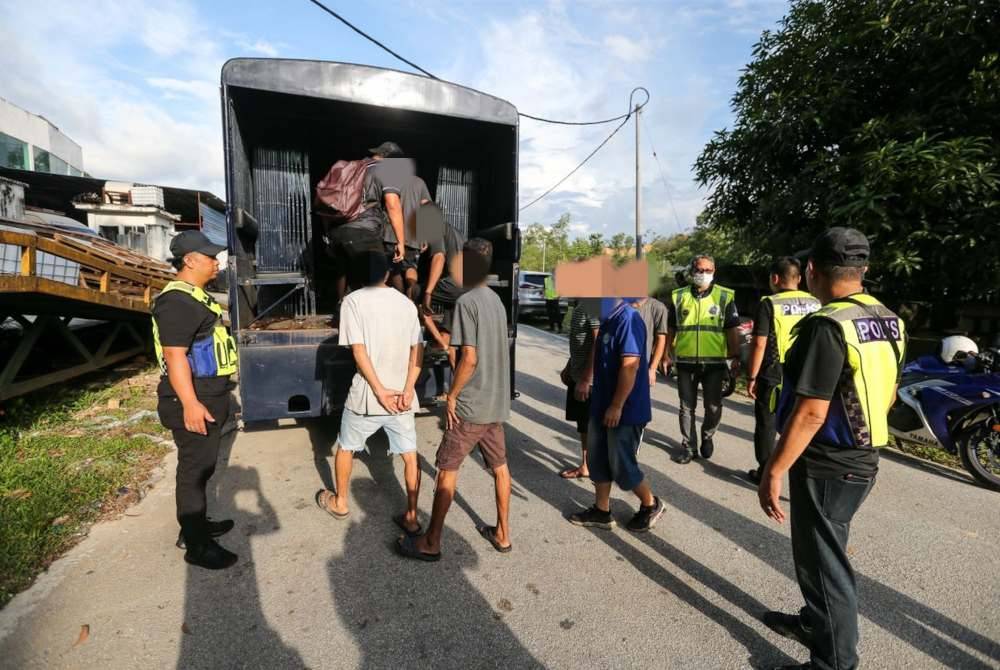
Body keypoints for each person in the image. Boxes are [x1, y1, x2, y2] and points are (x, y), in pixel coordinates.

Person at [758, 228, 905, 670]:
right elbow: (890, 393)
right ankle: (814, 622)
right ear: (863, 271)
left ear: (813, 271)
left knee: (824, 566)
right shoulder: (888, 319)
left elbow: (810, 413)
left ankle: (834, 661)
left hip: (828, 463)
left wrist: (774, 469)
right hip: (864, 457)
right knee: (824, 552)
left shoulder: (828, 326)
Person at [397, 238, 512, 561]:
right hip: (495, 405)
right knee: (500, 468)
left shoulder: (466, 302)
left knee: (447, 469)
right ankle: (503, 534)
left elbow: (469, 358)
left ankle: (431, 542)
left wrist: (453, 396)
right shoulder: (496, 302)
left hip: (471, 406)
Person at [315, 250, 424, 534]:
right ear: (388, 273)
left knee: (346, 447)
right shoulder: (407, 304)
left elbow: (359, 351)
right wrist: (407, 390)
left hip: (367, 397)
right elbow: (417, 351)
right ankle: (412, 516)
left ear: (359, 276)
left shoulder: (353, 301)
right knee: (410, 454)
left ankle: (340, 502)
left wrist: (379, 391)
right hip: (402, 398)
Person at [152, 231, 239, 570]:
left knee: (202, 467)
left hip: (208, 392)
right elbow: (175, 356)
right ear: (189, 261)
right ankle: (196, 544)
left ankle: (196, 526)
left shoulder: (195, 296)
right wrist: (190, 403)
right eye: (209, 257)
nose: (216, 262)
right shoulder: (177, 301)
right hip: (193, 396)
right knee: (194, 469)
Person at [569, 298, 666, 533]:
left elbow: (630, 366)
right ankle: (602, 511)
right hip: (602, 404)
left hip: (625, 409)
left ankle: (650, 504)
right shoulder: (608, 320)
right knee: (598, 458)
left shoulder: (628, 320)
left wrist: (617, 405)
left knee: (621, 464)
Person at [746, 257, 820, 484]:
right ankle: (802, 475)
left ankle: (765, 471)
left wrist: (752, 376)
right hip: (808, 373)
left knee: (767, 423)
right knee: (800, 423)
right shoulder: (817, 303)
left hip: (774, 373)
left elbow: (759, 343)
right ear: (799, 279)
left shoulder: (769, 304)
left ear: (775, 278)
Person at [664, 255, 741, 464]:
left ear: (714, 271)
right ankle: (689, 447)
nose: (703, 274)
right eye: (699, 270)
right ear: (692, 271)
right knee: (686, 407)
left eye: (708, 270)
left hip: (715, 363)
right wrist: (666, 354)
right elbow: (670, 327)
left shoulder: (724, 296)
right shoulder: (679, 297)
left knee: (713, 406)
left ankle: (707, 435)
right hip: (686, 362)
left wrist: (735, 357)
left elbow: (732, 329)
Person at [329, 141, 412, 302]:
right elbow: (392, 204)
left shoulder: (351, 168)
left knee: (346, 273)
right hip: (363, 230)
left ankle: (341, 312)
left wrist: (329, 234)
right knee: (376, 279)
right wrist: (401, 242)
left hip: (337, 232)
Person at [558, 298, 601, 479]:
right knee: (583, 425)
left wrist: (586, 379)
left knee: (591, 425)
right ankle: (586, 465)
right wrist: (570, 366)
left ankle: (598, 468)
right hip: (579, 375)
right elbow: (582, 343)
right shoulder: (582, 304)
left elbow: (598, 343)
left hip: (590, 381)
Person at [390, 173, 432, 297]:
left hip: (392, 233)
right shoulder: (419, 182)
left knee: (394, 268)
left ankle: (401, 299)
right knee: (411, 267)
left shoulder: (390, 181)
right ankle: (412, 292)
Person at [635, 296, 669, 391]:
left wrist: (653, 369)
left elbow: (661, 338)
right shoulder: (621, 304)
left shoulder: (658, 307)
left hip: (642, 365)